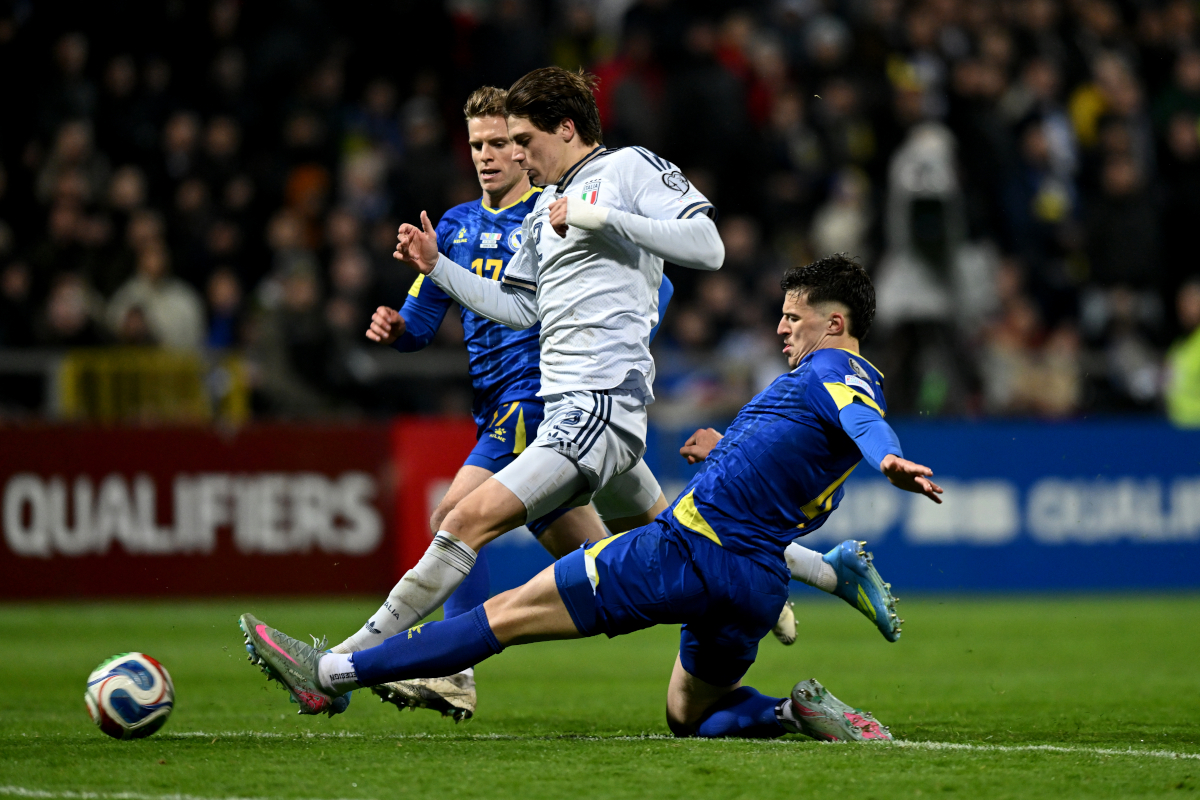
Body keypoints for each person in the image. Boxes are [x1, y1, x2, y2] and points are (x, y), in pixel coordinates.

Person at [240, 255, 944, 742]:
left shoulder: (837, 368)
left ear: (836, 322)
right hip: (754, 584)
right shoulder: (819, 380)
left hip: (685, 552)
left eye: (796, 317)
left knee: (505, 615)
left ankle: (331, 672)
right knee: (686, 715)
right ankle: (792, 712)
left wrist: (885, 455)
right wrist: (721, 448)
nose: (784, 328)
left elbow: (858, 415)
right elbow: (799, 448)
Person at [327, 67, 724, 667]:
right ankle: (781, 580)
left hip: (588, 405)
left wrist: (605, 219)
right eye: (492, 143)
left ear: (565, 128)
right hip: (565, 408)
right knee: (652, 554)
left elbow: (709, 247)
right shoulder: (542, 214)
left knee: (461, 518)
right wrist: (437, 266)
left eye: (521, 141)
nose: (512, 155)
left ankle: (346, 662)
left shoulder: (627, 169)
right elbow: (518, 308)